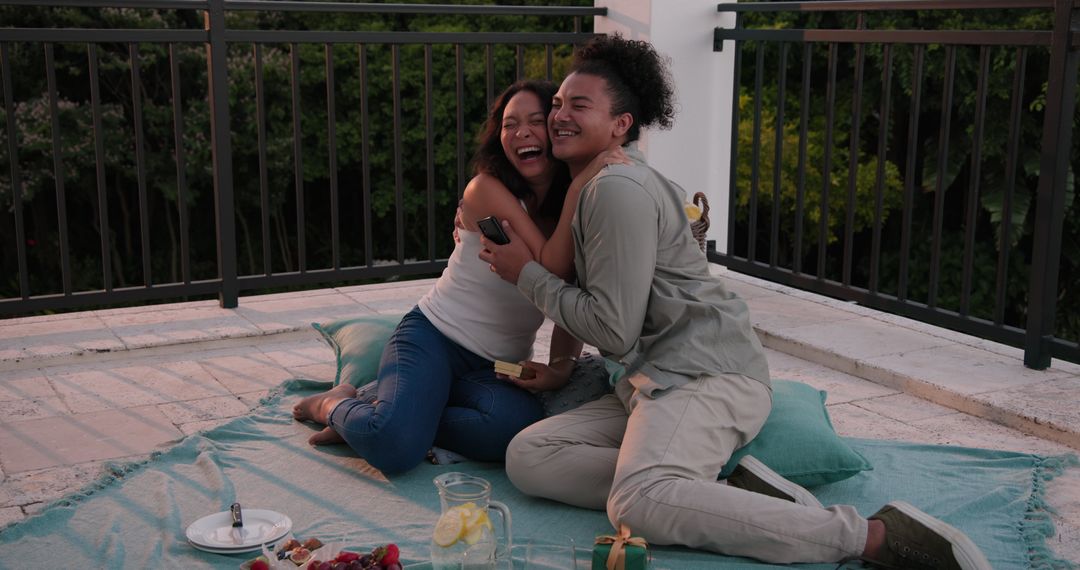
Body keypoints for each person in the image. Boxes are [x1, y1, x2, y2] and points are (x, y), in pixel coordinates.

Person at [480, 35, 993, 569]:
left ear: (621, 124)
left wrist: (527, 276)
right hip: (648, 381)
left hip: (702, 374)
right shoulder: (596, 182)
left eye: (578, 105)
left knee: (637, 502)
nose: (559, 114)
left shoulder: (617, 189)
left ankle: (874, 536)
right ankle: (728, 496)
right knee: (531, 455)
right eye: (558, 104)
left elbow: (612, 331)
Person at [292, 80, 624, 475]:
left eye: (536, 121)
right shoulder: (486, 189)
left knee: (515, 431)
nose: (521, 133)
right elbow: (552, 269)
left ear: (554, 131)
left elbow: (570, 292)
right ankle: (335, 403)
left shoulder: (576, 212)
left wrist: (562, 366)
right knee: (396, 450)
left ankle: (395, 413)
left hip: (499, 366)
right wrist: (582, 181)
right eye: (509, 124)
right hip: (433, 337)